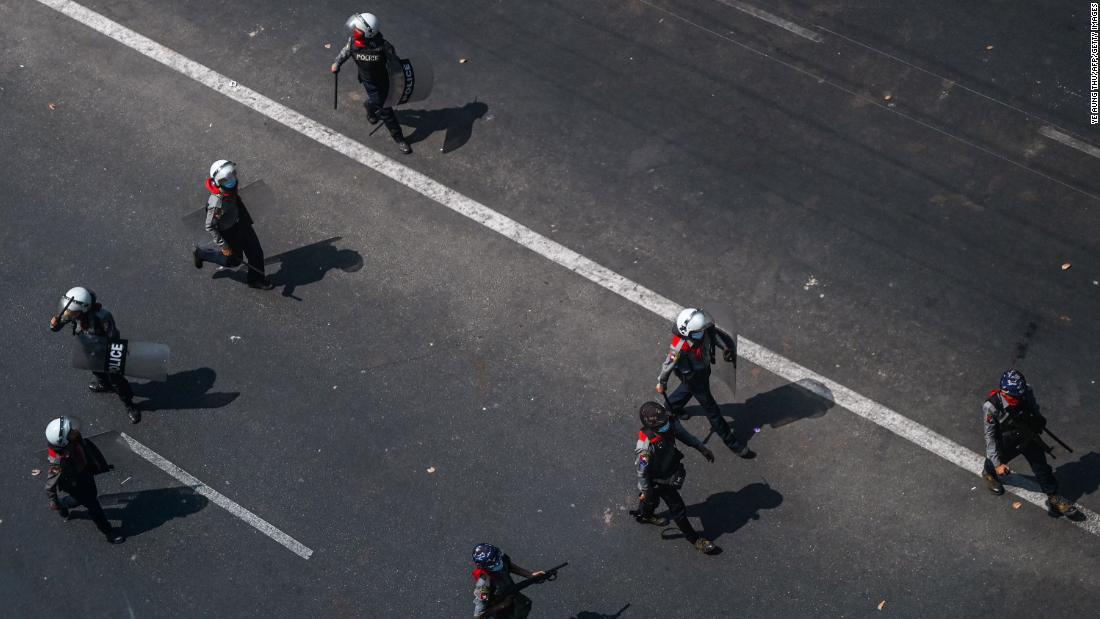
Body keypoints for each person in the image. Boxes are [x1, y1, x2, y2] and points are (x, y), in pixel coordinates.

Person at [981, 370, 1080, 518]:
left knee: (1042, 467)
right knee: (998, 460)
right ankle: (988, 473)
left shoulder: (1026, 391)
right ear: (1004, 392)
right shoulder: (991, 406)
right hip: (1007, 438)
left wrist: (1038, 419)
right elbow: (990, 436)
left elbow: (1033, 407)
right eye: (1013, 397)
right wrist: (997, 465)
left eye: (1019, 396)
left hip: (1028, 435)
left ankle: (1054, 498)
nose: (1017, 399)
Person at [656, 308, 752, 458]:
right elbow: (668, 364)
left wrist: (725, 347)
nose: (704, 332)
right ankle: (732, 443)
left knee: (686, 390)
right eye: (700, 331)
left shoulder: (700, 329)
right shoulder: (679, 346)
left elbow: (713, 334)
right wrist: (662, 383)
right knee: (712, 411)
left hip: (702, 370)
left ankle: (670, 407)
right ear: (687, 332)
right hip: (694, 378)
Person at [633, 401, 719, 555]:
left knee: (651, 501)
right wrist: (645, 489)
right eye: (663, 424)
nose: (667, 425)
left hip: (668, 472)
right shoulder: (645, 447)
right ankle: (695, 540)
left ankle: (645, 514)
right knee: (677, 509)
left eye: (666, 421)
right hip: (658, 480)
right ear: (652, 426)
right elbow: (642, 472)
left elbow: (684, 435)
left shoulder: (667, 422)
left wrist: (701, 448)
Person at [49, 287, 140, 423]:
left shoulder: (102, 317)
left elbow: (113, 336)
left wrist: (114, 356)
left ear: (84, 308)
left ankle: (129, 404)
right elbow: (62, 321)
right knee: (97, 372)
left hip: (106, 351)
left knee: (117, 381)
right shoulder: (74, 312)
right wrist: (55, 325)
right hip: (89, 349)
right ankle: (104, 384)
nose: (68, 313)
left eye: (72, 312)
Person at [330, 12, 412, 154]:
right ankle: (399, 138)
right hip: (369, 82)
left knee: (379, 101)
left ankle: (369, 105)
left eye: (358, 30)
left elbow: (395, 61)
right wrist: (337, 63)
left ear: (367, 33)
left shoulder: (383, 46)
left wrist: (399, 77)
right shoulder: (353, 43)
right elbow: (346, 51)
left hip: (384, 79)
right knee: (386, 110)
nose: (354, 31)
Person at [192, 160, 274, 290]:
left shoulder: (230, 188)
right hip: (230, 232)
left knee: (256, 253)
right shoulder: (217, 203)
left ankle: (256, 280)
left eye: (233, 176)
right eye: (227, 179)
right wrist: (224, 246)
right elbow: (210, 226)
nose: (233, 181)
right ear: (219, 182)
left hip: (241, 223)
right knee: (234, 260)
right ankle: (202, 254)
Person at [44, 416, 124, 544]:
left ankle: (62, 504)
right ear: (63, 442)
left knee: (77, 500)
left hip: (84, 473)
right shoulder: (58, 463)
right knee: (94, 506)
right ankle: (108, 532)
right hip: (77, 484)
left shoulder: (73, 440)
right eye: (70, 432)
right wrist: (52, 500)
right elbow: (50, 485)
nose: (74, 432)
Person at [471, 543, 545, 618]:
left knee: (524, 606)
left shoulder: (499, 557)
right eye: (494, 564)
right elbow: (478, 615)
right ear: (482, 567)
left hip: (512, 598)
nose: (499, 564)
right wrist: (502, 605)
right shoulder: (483, 586)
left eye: (498, 560)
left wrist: (530, 575)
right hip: (498, 613)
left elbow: (509, 566)